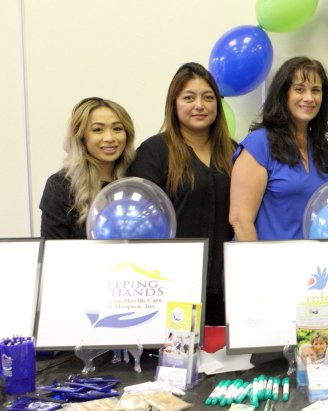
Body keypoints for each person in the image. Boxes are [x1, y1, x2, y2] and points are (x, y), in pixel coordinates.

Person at [129, 63, 236, 325]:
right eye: (189, 97)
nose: (199, 105)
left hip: (225, 285)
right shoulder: (155, 151)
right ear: (174, 103)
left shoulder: (234, 152)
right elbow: (140, 224)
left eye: (208, 97)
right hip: (172, 286)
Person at [230, 57, 328, 242]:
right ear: (283, 94)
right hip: (265, 258)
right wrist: (256, 261)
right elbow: (240, 222)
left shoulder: (322, 150)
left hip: (311, 259)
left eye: (315, 90)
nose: (309, 98)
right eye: (299, 89)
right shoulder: (259, 144)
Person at [39, 97, 136, 239]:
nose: (109, 138)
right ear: (81, 137)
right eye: (98, 130)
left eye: (117, 129)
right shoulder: (61, 185)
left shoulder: (136, 180)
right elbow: (52, 247)